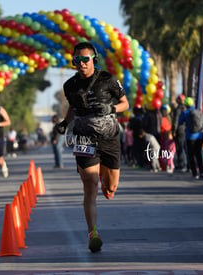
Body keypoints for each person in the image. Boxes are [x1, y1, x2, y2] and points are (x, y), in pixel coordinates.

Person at [55, 41, 129, 253]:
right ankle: (92, 233)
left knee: (110, 188)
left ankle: (107, 177)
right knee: (91, 184)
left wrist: (111, 107)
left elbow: (125, 103)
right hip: (83, 138)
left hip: (109, 138)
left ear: (93, 60)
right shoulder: (69, 85)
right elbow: (72, 107)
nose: (81, 64)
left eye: (85, 59)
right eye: (77, 60)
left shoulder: (108, 80)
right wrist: (64, 123)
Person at [178, 97, 203, 179]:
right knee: (199, 154)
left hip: (190, 137)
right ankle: (202, 172)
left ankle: (194, 173)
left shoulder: (185, 112)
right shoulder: (199, 111)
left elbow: (180, 122)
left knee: (191, 155)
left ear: (185, 104)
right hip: (200, 136)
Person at [172, 94, 187, 172]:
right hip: (185, 130)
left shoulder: (178, 109)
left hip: (179, 130)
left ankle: (182, 165)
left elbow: (176, 120)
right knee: (184, 148)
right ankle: (185, 165)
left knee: (180, 148)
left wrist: (174, 130)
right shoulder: (186, 108)